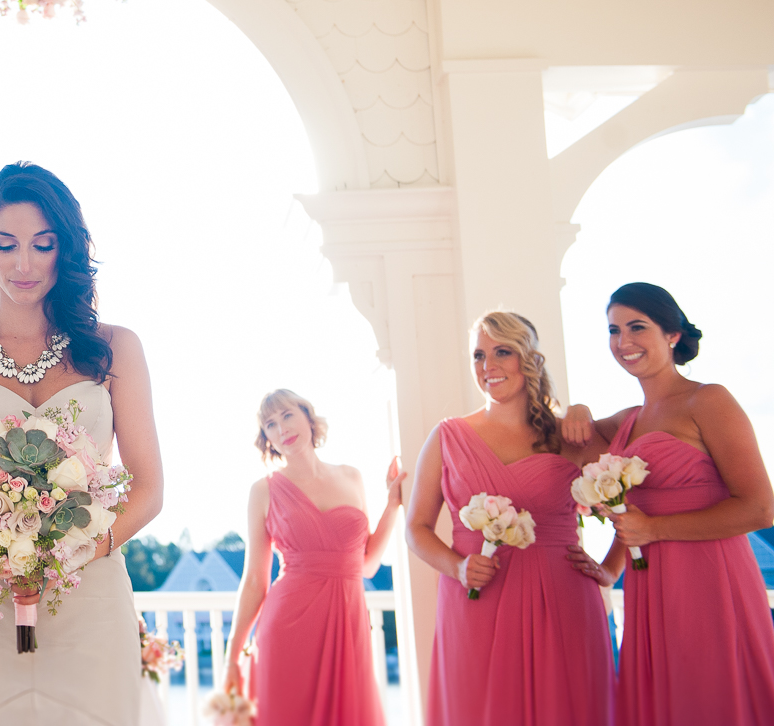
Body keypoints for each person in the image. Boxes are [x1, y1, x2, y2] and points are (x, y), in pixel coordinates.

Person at [0, 162, 164, 726]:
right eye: (6, 244)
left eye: (43, 245)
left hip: (86, 593)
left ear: (64, 248)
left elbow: (149, 487)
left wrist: (73, 553)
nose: (23, 264)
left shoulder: (116, 348)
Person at [560, 283, 774, 726]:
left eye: (637, 327)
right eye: (614, 330)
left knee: (714, 697)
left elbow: (759, 509)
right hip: (647, 586)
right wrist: (576, 409)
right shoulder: (625, 420)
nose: (624, 342)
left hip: (711, 580)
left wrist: (655, 530)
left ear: (672, 335)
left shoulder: (708, 399)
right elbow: (563, 448)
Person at [404, 311, 614, 726]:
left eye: (502, 352)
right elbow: (416, 528)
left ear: (529, 358)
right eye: (479, 355)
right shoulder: (447, 436)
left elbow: (627, 501)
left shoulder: (566, 436)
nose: (488, 366)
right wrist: (459, 567)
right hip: (476, 598)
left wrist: (611, 570)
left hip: (561, 599)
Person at [221, 389, 402, 725]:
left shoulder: (352, 476)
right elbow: (255, 580)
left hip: (347, 620)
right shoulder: (263, 491)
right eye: (270, 424)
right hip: (288, 624)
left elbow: (366, 564)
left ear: (308, 416)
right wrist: (232, 657)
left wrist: (392, 505)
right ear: (267, 439)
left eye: (288, 415)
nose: (282, 428)